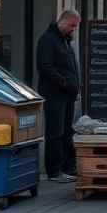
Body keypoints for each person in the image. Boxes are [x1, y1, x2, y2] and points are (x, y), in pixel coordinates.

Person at [36, 9, 82, 183]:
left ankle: (67, 167)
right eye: (72, 25)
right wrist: (63, 82)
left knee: (66, 132)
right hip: (56, 94)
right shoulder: (48, 40)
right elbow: (45, 67)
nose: (73, 29)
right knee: (55, 132)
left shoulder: (64, 41)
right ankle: (55, 170)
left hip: (67, 94)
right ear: (62, 22)